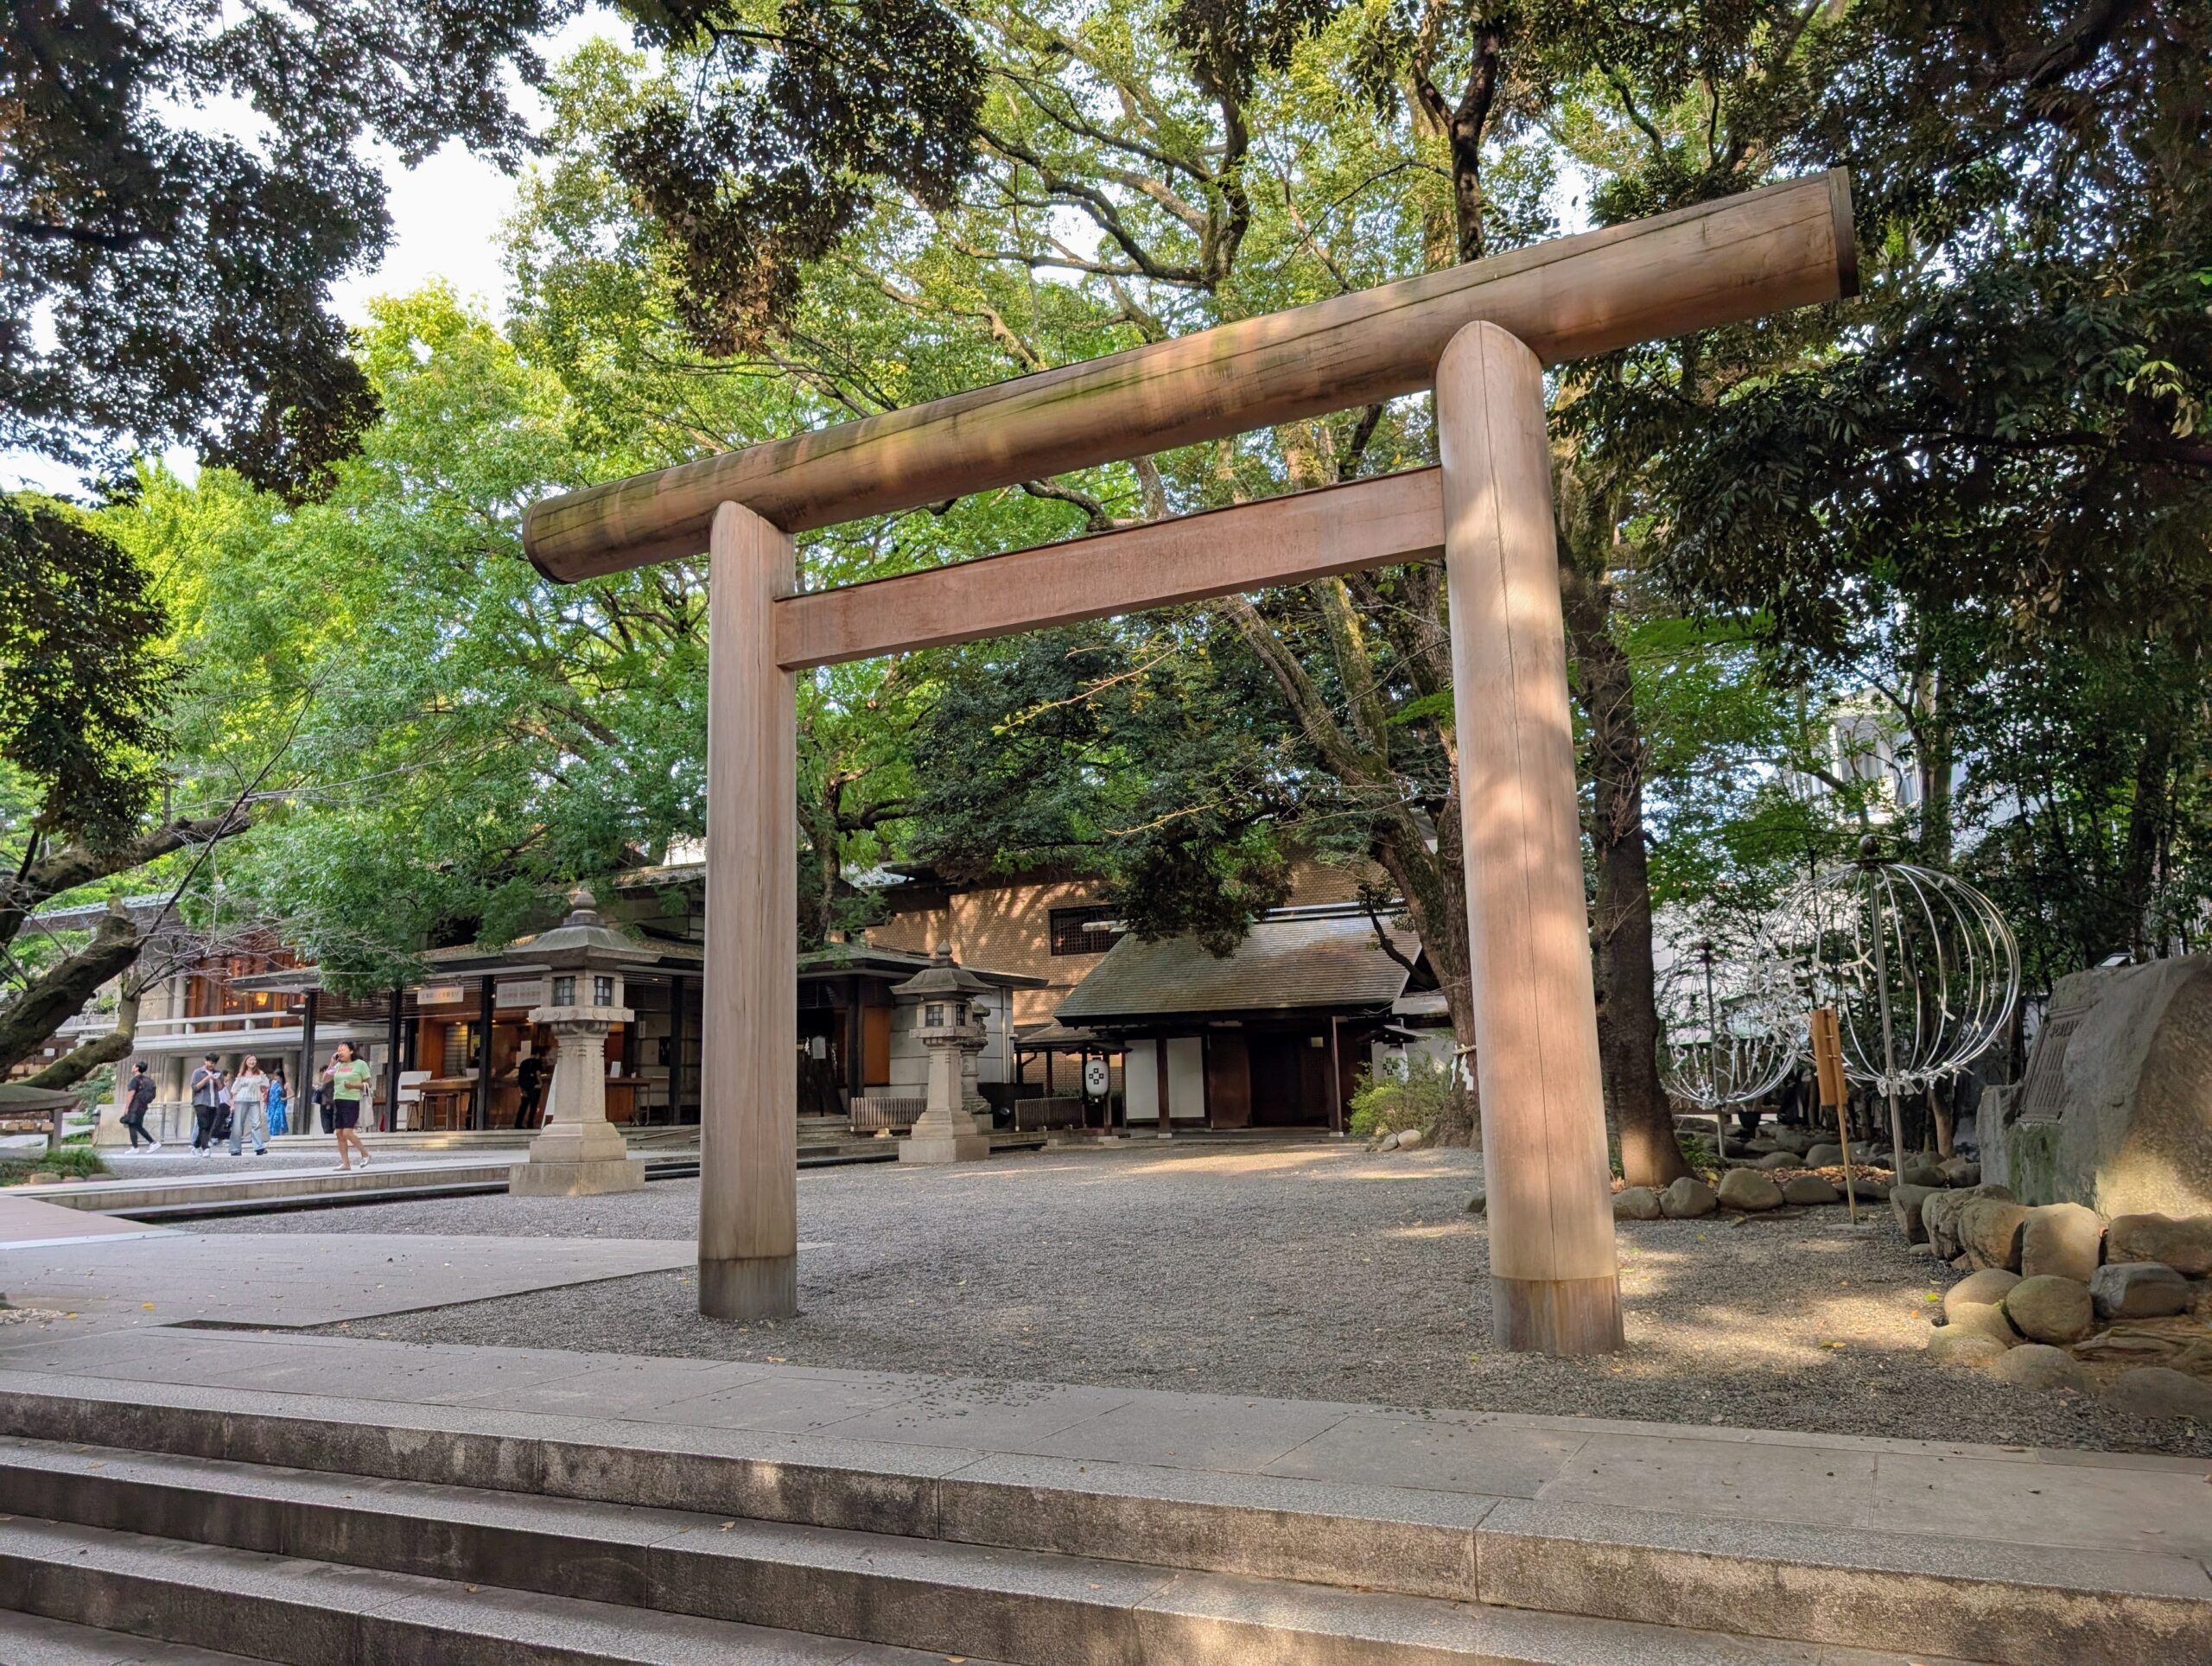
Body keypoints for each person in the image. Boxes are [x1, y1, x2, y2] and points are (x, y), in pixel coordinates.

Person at [320, 1042, 373, 1171]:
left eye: (343, 1049)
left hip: (352, 1101)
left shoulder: (360, 1064)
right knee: (339, 1133)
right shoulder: (338, 1065)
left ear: (351, 1051)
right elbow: (325, 1079)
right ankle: (346, 1163)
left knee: (347, 1132)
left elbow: (368, 1084)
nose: (340, 1052)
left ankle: (365, 1154)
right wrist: (332, 1063)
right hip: (338, 1101)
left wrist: (353, 1086)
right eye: (339, 1050)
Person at [227, 1055, 270, 1156]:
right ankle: (235, 1149)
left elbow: (266, 1084)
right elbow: (234, 1090)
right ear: (246, 1062)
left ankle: (259, 1147)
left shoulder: (260, 1073)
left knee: (256, 1123)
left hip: (255, 1099)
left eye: (254, 1060)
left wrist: (262, 1088)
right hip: (241, 1099)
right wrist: (232, 1103)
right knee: (238, 1124)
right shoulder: (241, 1074)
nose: (252, 1062)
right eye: (250, 1060)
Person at [119, 1061, 161, 1150]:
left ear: (137, 1068)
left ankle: (151, 1143)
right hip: (143, 1106)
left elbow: (131, 1095)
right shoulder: (148, 1080)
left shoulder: (135, 1080)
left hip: (135, 1105)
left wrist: (127, 1108)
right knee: (134, 1125)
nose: (132, 1067)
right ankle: (136, 1147)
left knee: (134, 1124)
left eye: (134, 1066)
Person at [188, 1053, 223, 1154]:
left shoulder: (218, 1073)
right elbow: (195, 1088)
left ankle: (196, 1146)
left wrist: (216, 1080)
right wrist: (207, 1079)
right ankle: (205, 1148)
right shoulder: (198, 1072)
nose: (212, 1065)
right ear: (206, 1061)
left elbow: (220, 1088)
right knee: (203, 1124)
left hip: (213, 1102)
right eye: (210, 1062)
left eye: (214, 1063)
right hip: (201, 1102)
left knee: (209, 1126)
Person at [515, 1049, 546, 1129]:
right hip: (534, 1086)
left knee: (523, 1106)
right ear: (538, 1054)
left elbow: (520, 1076)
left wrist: (521, 1087)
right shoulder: (537, 1062)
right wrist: (540, 1083)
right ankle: (530, 1123)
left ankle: (518, 1123)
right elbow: (538, 1074)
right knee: (533, 1106)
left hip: (524, 1087)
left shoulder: (523, 1062)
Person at [265, 1065, 289, 1138]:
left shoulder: (285, 1084)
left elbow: (292, 1094)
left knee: (278, 1119)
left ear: (280, 1076)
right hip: (272, 1104)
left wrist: (285, 1098)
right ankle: (273, 1135)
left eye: (276, 1076)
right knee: (272, 1119)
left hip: (280, 1104)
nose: (275, 1077)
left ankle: (280, 1135)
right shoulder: (273, 1083)